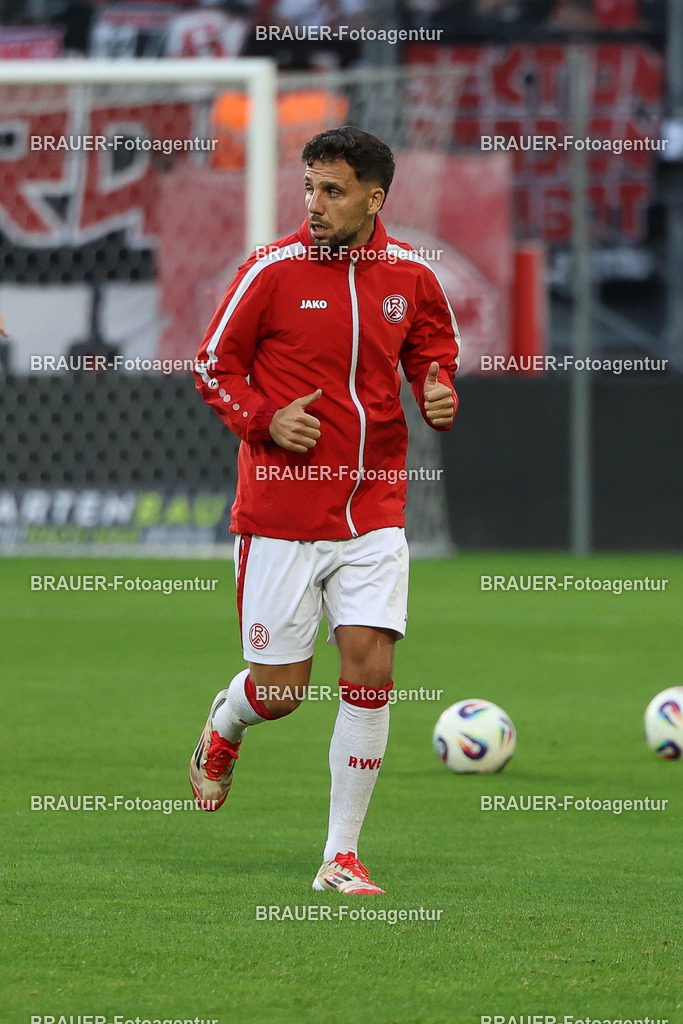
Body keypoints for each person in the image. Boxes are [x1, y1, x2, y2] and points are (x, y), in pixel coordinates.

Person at [191, 125, 460, 895]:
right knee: (280, 693)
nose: (314, 204)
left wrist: (439, 389)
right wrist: (265, 419)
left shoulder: (410, 276)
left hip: (374, 505)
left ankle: (339, 855)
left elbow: (430, 353)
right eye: (309, 187)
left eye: (332, 190)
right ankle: (227, 720)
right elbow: (213, 365)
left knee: (370, 668)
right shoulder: (269, 272)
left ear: (374, 199)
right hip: (281, 513)